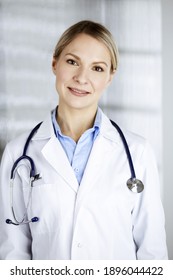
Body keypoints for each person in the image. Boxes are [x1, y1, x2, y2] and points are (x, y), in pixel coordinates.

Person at [0, 20, 168, 260]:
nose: (81, 77)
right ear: (54, 64)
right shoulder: (18, 154)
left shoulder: (137, 152)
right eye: (72, 62)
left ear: (110, 77)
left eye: (97, 68)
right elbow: (13, 255)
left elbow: (153, 253)